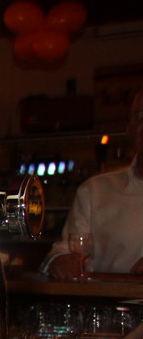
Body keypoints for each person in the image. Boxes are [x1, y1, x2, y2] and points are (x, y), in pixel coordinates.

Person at [43, 89, 143, 279]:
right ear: (129, 129)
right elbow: (68, 248)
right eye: (140, 115)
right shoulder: (94, 190)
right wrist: (59, 259)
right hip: (110, 298)